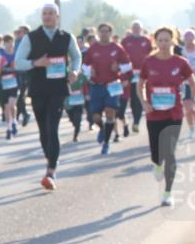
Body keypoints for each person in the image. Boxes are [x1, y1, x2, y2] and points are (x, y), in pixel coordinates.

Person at [14, 3, 82, 190]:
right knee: (44, 130)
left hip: (58, 88)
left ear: (57, 17)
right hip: (38, 89)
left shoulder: (67, 38)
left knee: (53, 127)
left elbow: (76, 57)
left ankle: (51, 171)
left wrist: (75, 71)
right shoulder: (31, 37)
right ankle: (51, 158)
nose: (47, 16)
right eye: (44, 13)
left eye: (51, 13)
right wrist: (37, 63)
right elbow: (18, 62)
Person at [138, 27, 195, 207]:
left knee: (170, 152)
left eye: (167, 40)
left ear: (173, 41)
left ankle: (167, 192)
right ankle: (156, 164)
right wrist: (144, 103)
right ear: (155, 42)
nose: (164, 44)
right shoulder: (148, 62)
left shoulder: (180, 62)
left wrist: (192, 100)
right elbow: (140, 85)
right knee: (156, 153)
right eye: (161, 40)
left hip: (174, 113)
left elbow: (193, 83)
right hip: (154, 113)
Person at [82, 22, 133, 155]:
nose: (104, 34)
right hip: (96, 86)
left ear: (110, 33)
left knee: (110, 112)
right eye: (102, 31)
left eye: (107, 31)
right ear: (98, 33)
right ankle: (103, 129)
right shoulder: (93, 49)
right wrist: (89, 72)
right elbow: (84, 66)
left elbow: (127, 65)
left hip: (112, 85)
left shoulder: (117, 48)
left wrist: (119, 69)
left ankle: (106, 143)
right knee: (96, 117)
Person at [120, 20, 153, 134]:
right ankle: (124, 119)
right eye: (134, 28)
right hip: (128, 73)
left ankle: (136, 122)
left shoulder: (147, 41)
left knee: (137, 98)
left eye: (138, 28)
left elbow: (152, 55)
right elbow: (120, 56)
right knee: (125, 99)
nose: (136, 30)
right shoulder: (125, 41)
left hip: (142, 74)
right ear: (131, 29)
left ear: (141, 29)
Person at [0, 34, 20, 139]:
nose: (10, 45)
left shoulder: (17, 55)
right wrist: (1, 66)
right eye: (8, 43)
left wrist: (15, 67)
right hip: (3, 84)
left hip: (14, 84)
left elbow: (20, 68)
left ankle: (14, 121)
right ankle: (9, 128)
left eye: (12, 43)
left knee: (11, 106)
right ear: (4, 44)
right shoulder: (0, 56)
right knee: (6, 108)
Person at [14, 25, 32, 126]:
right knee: (18, 95)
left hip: (26, 72)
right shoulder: (16, 42)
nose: (18, 34)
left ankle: (23, 113)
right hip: (17, 72)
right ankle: (23, 113)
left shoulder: (29, 42)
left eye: (20, 32)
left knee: (22, 95)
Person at [65, 68, 89, 142]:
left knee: (78, 119)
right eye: (70, 76)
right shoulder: (64, 77)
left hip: (79, 101)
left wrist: (86, 93)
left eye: (74, 76)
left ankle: (76, 135)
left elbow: (88, 84)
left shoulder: (82, 77)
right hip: (69, 103)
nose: (72, 78)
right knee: (73, 119)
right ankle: (75, 124)